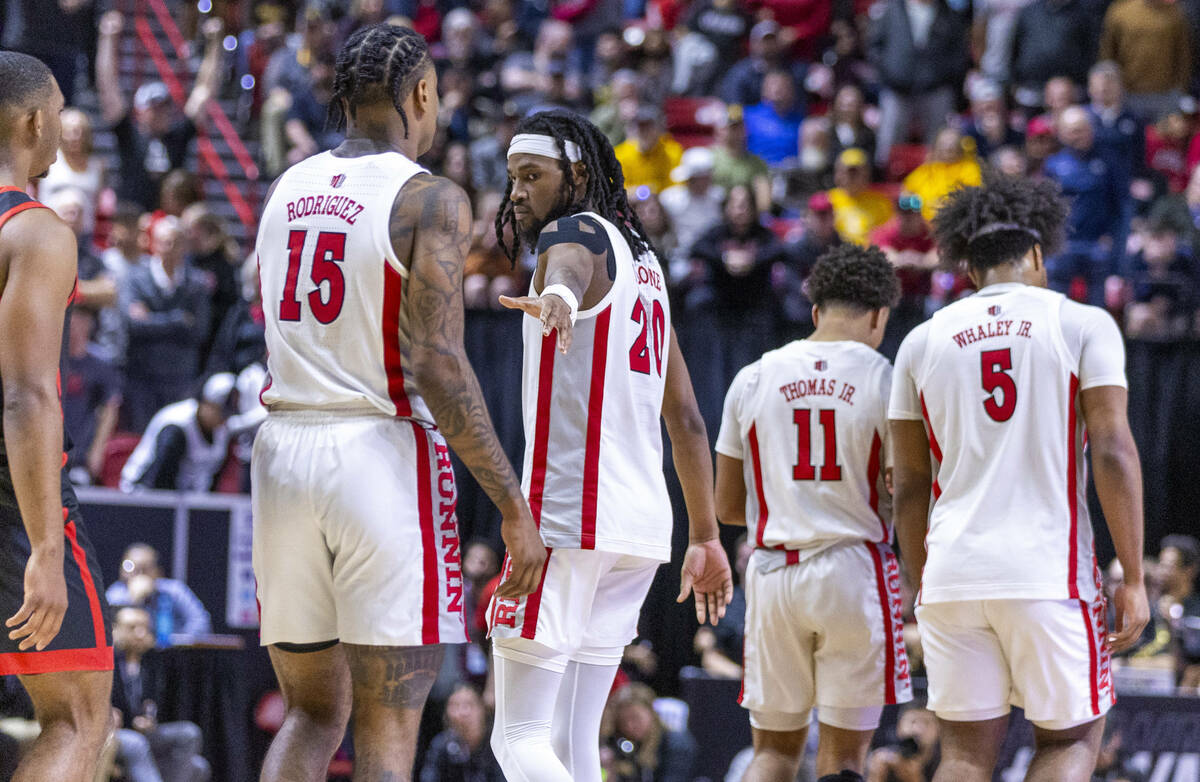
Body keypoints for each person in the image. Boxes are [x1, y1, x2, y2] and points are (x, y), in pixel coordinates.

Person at [251, 24, 545, 781]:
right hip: (375, 453)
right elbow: (440, 365)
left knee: (312, 715)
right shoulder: (429, 198)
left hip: (282, 450)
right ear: (421, 94)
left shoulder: (286, 187)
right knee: (387, 735)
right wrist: (511, 506)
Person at [487, 108, 733, 782]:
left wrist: (561, 293)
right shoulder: (646, 265)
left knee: (519, 739)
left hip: (571, 515)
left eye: (531, 175)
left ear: (577, 174)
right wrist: (704, 536)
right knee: (572, 748)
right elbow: (684, 417)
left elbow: (566, 261)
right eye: (511, 178)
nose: (517, 191)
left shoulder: (574, 234)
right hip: (640, 531)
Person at [888, 172, 1151, 782]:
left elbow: (906, 484)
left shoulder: (920, 341)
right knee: (1070, 742)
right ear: (1037, 253)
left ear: (970, 268)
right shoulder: (1082, 324)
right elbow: (1112, 449)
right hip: (1046, 572)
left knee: (961, 757)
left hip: (951, 574)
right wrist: (1133, 576)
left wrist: (917, 582)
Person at [714, 245, 910, 782]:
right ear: (879, 316)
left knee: (773, 754)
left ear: (816, 310)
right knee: (844, 761)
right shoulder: (884, 376)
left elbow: (727, 506)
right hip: (852, 569)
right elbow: (910, 488)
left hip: (773, 570)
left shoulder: (754, 376)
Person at [0, 51, 114, 781]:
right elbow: (26, 395)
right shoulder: (36, 231)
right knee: (77, 716)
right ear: (38, 121)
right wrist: (46, 547)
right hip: (12, 491)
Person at [96, 11, 226, 212]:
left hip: (169, 224)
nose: (160, 112)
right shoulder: (129, 133)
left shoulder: (178, 135)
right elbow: (107, 86)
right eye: (154, 107)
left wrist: (215, 45)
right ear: (140, 111)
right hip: (133, 220)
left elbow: (204, 92)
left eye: (164, 106)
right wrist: (108, 38)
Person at [120, 217, 213, 432]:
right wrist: (179, 320)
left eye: (176, 242)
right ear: (153, 244)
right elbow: (134, 326)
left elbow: (200, 331)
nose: (169, 248)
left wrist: (152, 320)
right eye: (164, 242)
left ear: (185, 246)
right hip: (142, 380)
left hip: (180, 379)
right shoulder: (136, 279)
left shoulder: (197, 283)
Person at [110, 606, 210, 782]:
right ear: (114, 629)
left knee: (190, 738)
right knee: (135, 743)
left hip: (144, 732)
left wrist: (148, 720)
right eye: (132, 628)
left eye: (145, 628)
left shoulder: (154, 662)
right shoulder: (105, 663)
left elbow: (159, 704)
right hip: (113, 733)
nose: (140, 634)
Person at [1042, 106, 1125, 307]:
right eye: (1072, 130)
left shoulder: (1108, 161)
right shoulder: (1052, 165)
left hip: (1097, 244)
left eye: (1082, 129)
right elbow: (1046, 210)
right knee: (1056, 308)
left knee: (1097, 310)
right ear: (1062, 134)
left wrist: (1114, 240)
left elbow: (1119, 205)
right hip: (1064, 245)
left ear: (1091, 129)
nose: (1077, 135)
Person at [118, 373, 236, 494]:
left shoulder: (221, 428)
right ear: (206, 403)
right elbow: (159, 478)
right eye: (221, 413)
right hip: (144, 492)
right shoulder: (177, 425)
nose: (224, 420)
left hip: (187, 499)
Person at [105, 543, 212, 641]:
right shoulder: (115, 594)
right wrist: (134, 599)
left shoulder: (174, 590)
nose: (138, 574)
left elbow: (201, 623)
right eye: (130, 567)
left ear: (158, 572)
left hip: (171, 656)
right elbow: (103, 630)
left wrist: (176, 644)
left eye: (145, 568)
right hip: (129, 655)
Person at [419, 684, 504, 782]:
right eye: (455, 705)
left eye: (469, 704)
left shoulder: (497, 744)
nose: (463, 712)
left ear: (482, 709)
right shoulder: (441, 746)